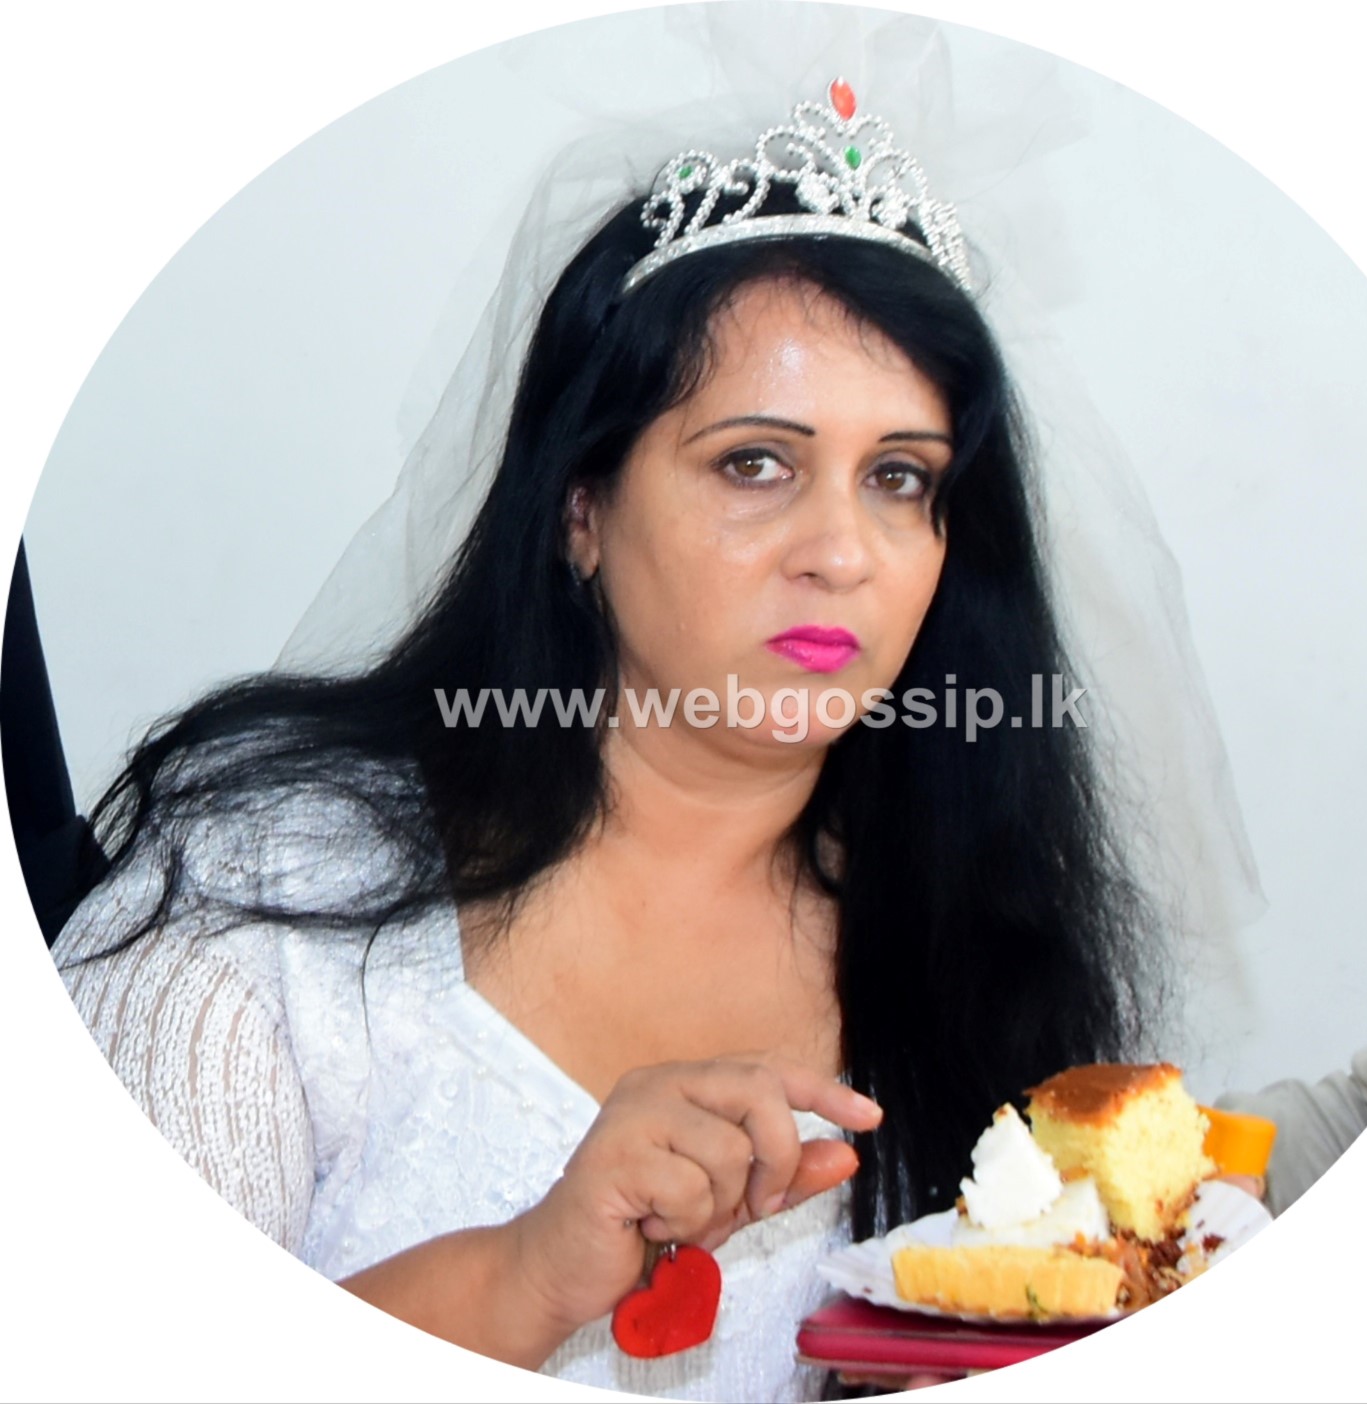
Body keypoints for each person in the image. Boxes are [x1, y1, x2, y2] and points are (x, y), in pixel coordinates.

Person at [50, 68, 1246, 1402]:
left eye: (899, 478)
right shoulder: (264, 899)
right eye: (755, 464)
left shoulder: (990, 943)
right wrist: (523, 1277)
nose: (841, 552)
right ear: (582, 510)